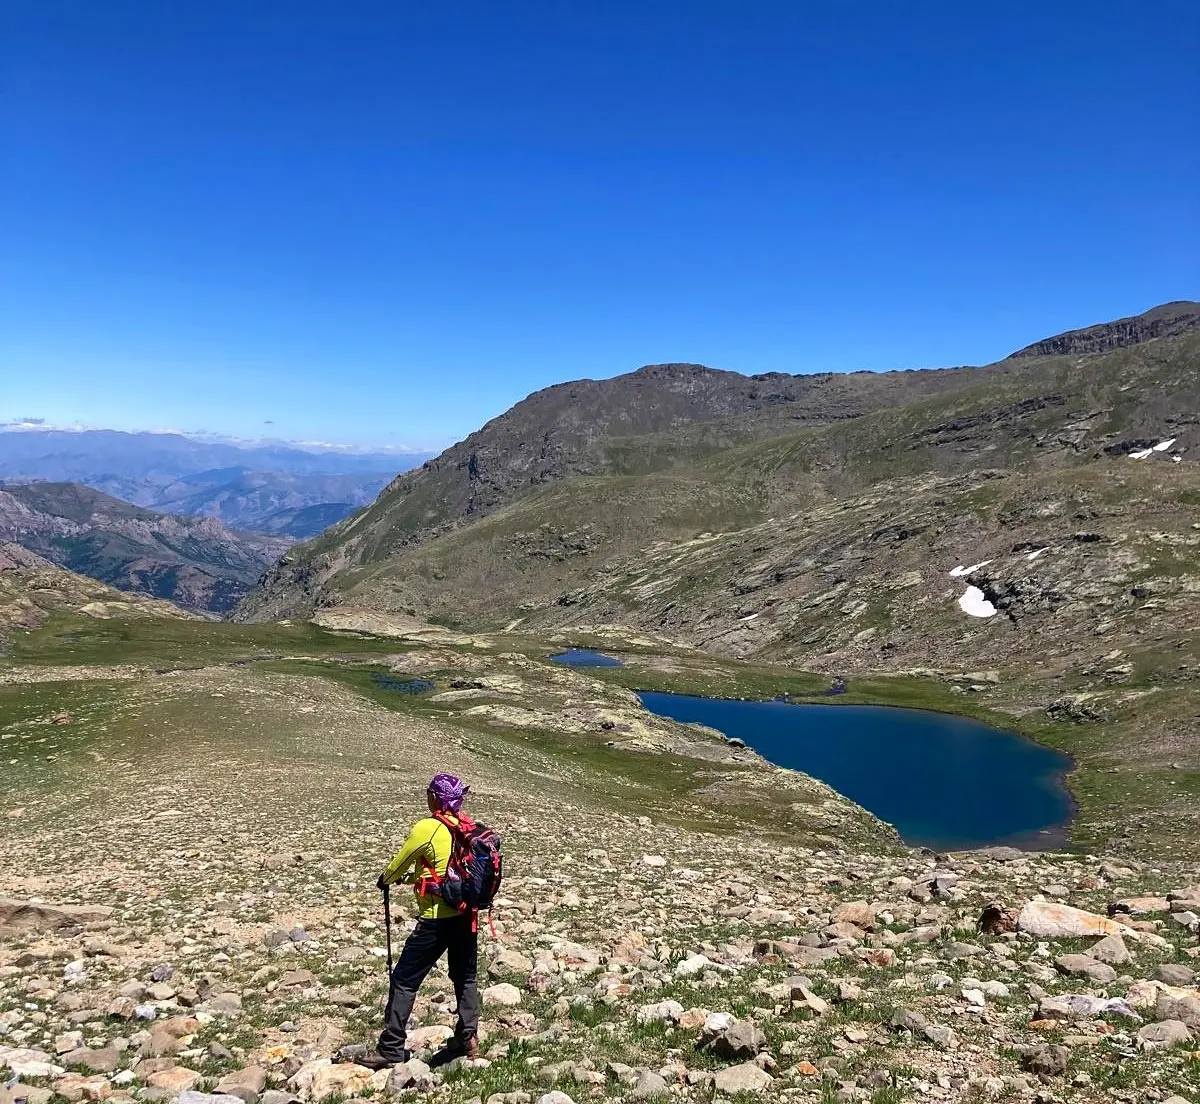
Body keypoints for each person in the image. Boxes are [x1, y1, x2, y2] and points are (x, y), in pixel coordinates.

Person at [358, 773, 480, 1070]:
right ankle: (468, 1037)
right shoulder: (466, 828)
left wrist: (386, 879)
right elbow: (442, 870)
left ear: (435, 798)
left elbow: (399, 862)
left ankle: (391, 1048)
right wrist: (414, 878)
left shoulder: (427, 827)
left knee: (404, 979)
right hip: (466, 915)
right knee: (464, 976)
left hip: (436, 919)